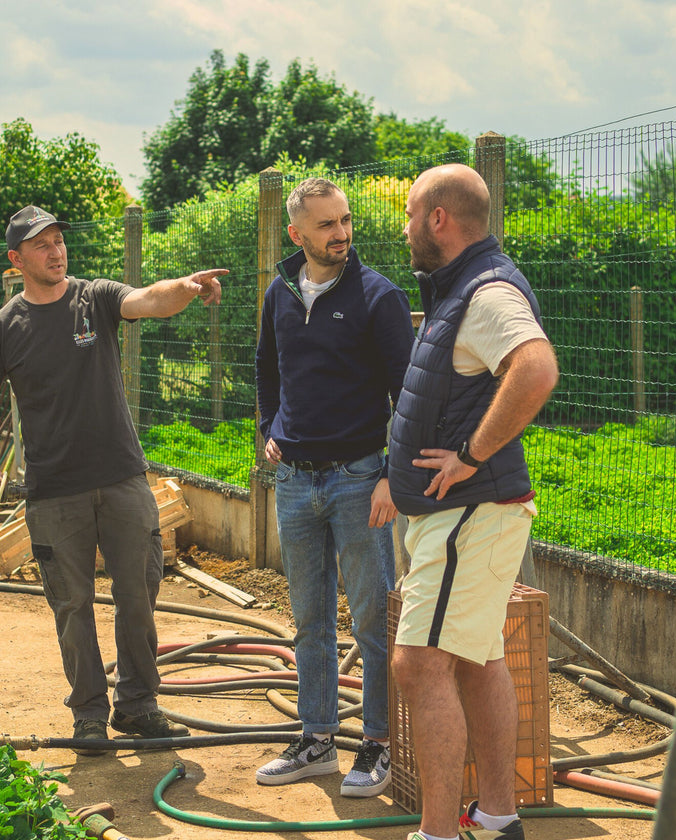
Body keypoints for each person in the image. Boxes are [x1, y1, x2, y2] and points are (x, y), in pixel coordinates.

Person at [0, 205, 227, 754]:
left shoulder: (95, 297)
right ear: (17, 260)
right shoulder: (4, 328)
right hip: (54, 491)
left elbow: (146, 300)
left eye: (59, 240)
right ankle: (88, 714)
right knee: (72, 604)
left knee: (138, 593)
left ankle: (137, 705)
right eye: (42, 245)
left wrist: (184, 286)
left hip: (122, 478)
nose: (55, 251)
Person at [387, 164, 559, 840]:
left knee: (420, 662)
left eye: (408, 214)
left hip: (468, 514)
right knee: (479, 656)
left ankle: (436, 833)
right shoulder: (460, 289)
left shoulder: (485, 293)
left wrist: (471, 455)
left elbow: (536, 367)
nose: (403, 228)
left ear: (439, 219)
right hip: (461, 518)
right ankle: (496, 816)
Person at [254, 178, 415, 797]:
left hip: (359, 480)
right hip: (294, 480)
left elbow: (408, 393)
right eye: (325, 225)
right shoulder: (280, 293)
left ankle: (376, 745)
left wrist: (390, 477)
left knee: (373, 619)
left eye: (345, 221)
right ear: (296, 234)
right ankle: (317, 737)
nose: (341, 233)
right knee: (309, 619)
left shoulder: (379, 296)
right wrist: (269, 427)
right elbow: (267, 366)